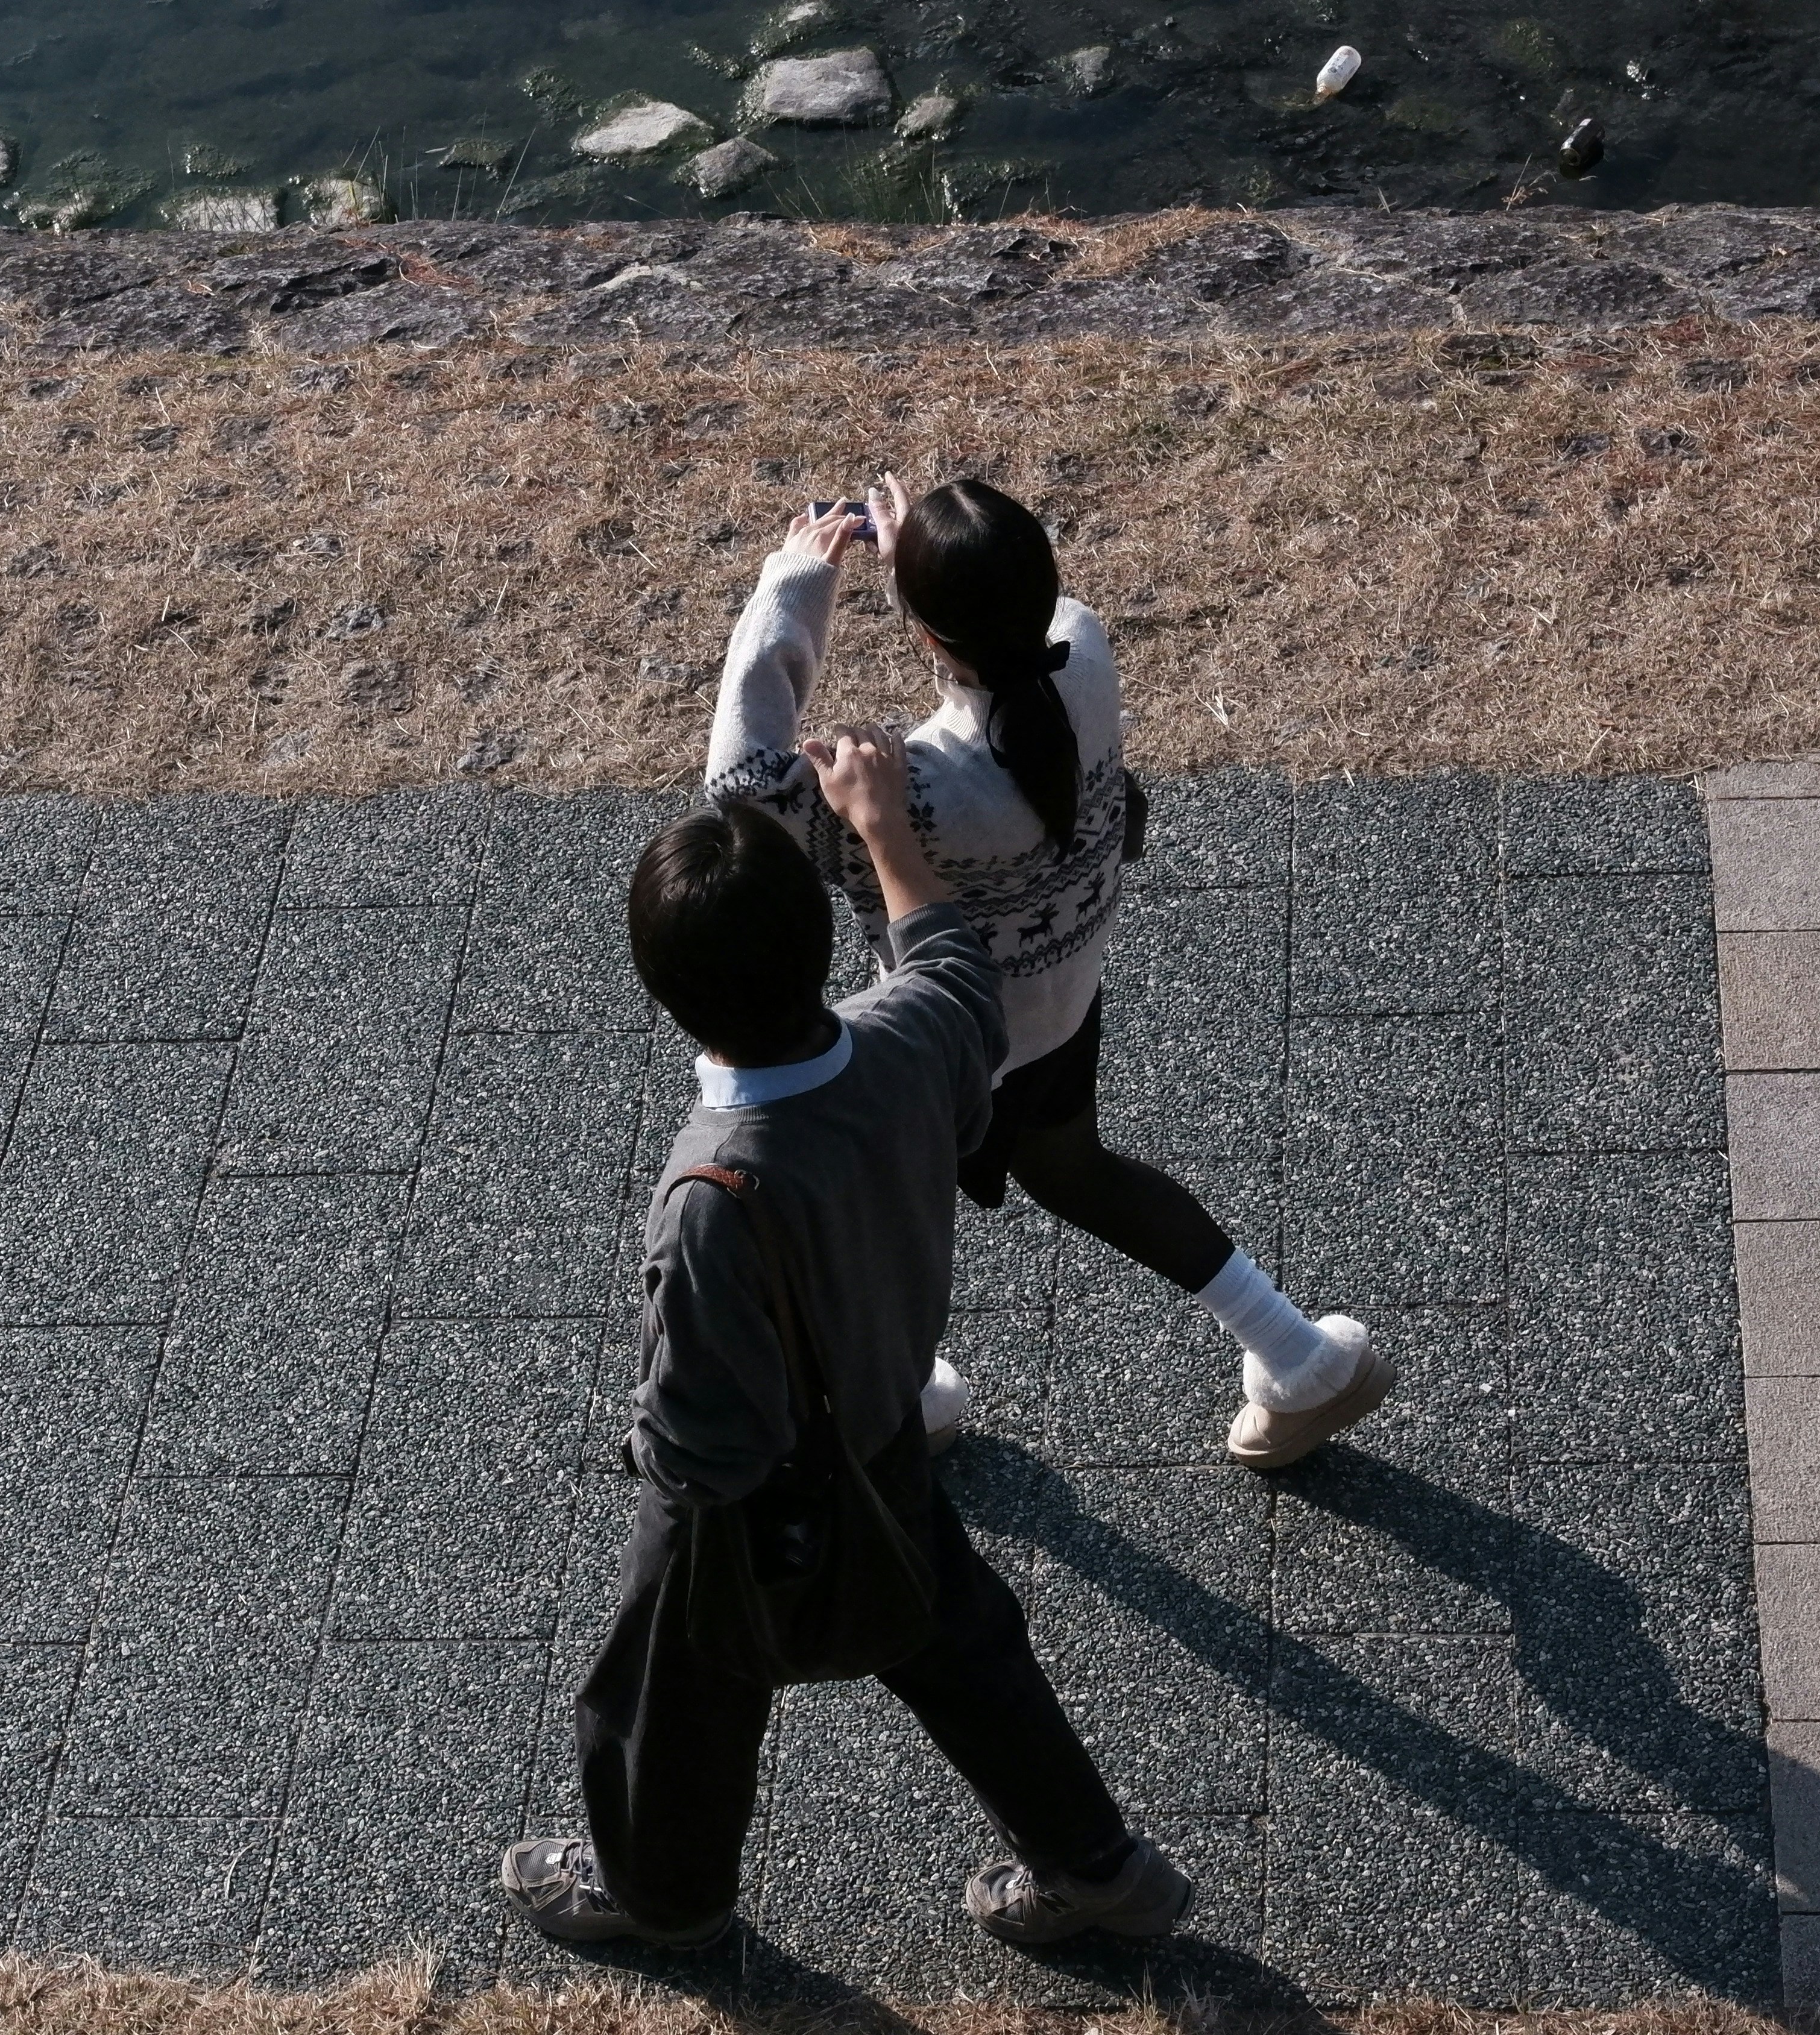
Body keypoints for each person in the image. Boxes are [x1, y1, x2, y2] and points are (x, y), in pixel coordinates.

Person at [497, 736, 1191, 1950]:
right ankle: (1098, 1870)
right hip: (883, 1437)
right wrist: (886, 832)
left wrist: (649, 1449)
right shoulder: (913, 1035)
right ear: (821, 943)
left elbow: (707, 1438)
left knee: (668, 1691)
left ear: (665, 997)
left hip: (758, 1503)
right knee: (963, 1646)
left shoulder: (711, 1192)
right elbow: (953, 958)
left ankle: (667, 1895)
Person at [702, 477, 1391, 1471]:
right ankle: (1296, 1356)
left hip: (940, 1045)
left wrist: (796, 582)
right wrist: (926, 581)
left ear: (929, 637)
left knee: (872, 1218)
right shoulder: (1088, 652)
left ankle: (903, 1399)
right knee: (1076, 1173)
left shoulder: (919, 787)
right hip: (1059, 1008)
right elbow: (1016, 622)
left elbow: (736, 786)